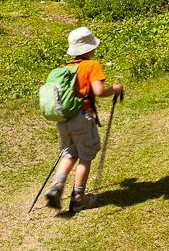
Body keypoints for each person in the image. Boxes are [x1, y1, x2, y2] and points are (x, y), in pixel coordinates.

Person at [45, 26, 124, 213]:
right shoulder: (91, 66)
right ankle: (79, 198)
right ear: (90, 48)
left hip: (64, 119)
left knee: (69, 153)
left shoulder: (65, 69)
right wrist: (115, 88)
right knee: (85, 156)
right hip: (82, 117)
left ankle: (56, 185)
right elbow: (99, 91)